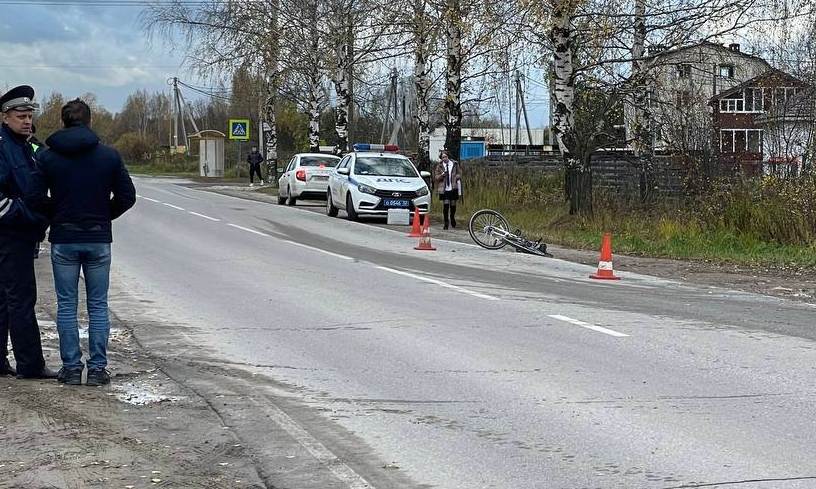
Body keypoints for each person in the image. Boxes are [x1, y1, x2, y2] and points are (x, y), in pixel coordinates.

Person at [28, 99, 136, 386]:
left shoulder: (48, 158)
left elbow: (34, 197)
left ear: (63, 122)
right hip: (98, 238)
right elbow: (127, 197)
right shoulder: (109, 156)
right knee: (98, 305)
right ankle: (98, 370)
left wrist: (58, 214)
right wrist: (103, 216)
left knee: (66, 305)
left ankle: (72, 368)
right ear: (89, 122)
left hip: (64, 239)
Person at [0, 85, 56, 379]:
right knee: (21, 299)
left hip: (18, 234)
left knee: (5, 299)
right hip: (10, 235)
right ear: (5, 116)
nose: (26, 121)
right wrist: (30, 218)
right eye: (20, 115)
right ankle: (31, 365)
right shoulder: (3, 146)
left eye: (29, 115)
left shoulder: (24, 145)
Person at [433, 150, 462, 230]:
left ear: (448, 156)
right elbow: (436, 177)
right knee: (446, 205)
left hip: (453, 187)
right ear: (441, 159)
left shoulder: (454, 164)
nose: (444, 159)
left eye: (445, 157)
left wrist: (456, 177)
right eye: (443, 157)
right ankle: (446, 222)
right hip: (444, 188)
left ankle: (452, 217)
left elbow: (459, 173)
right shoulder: (439, 166)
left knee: (453, 204)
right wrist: (442, 175)